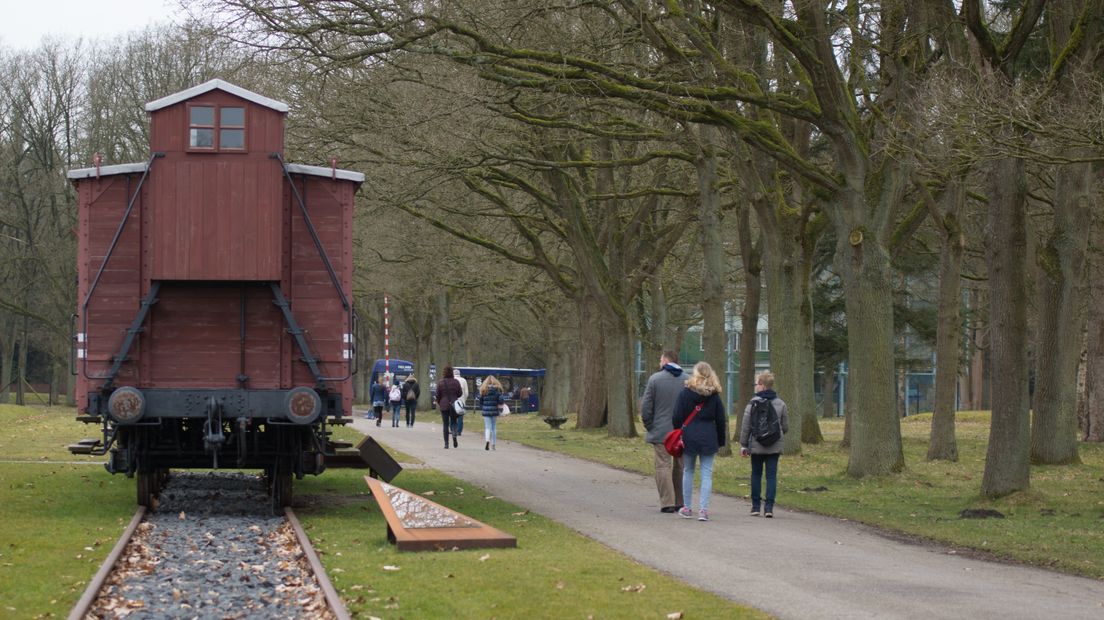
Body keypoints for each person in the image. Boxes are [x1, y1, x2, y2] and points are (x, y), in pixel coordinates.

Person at [672, 361, 727, 522]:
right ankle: (703, 510)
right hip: (709, 437)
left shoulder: (685, 393)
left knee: (688, 470)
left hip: (689, 436)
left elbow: (676, 416)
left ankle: (687, 507)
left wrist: (679, 431)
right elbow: (721, 420)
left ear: (695, 374)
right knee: (706, 474)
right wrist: (720, 440)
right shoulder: (715, 396)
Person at [640, 351, 686, 513]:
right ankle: (681, 501)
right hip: (682, 432)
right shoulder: (688, 380)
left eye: (660, 359)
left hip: (661, 431)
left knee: (662, 466)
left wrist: (650, 425)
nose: (659, 362)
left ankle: (667, 502)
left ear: (666, 360)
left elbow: (646, 408)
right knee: (681, 466)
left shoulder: (655, 379)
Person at [740, 371, 789, 518]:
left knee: (756, 474)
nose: (755, 386)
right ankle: (769, 508)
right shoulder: (781, 403)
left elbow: (746, 426)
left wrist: (744, 444)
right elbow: (785, 426)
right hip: (774, 445)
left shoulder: (752, 403)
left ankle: (755, 506)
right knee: (771, 476)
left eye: (757, 383)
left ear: (762, 385)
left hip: (756, 444)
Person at [436, 365, 463, 448]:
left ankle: (446, 444)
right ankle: (454, 436)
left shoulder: (440, 382)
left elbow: (437, 395)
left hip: (444, 405)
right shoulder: (456, 382)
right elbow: (460, 393)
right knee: (454, 422)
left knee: (445, 424)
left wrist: (439, 402)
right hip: (454, 405)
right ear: (452, 373)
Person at [478, 375, 506, 451]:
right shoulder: (498, 390)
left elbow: (480, 402)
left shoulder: (483, 390)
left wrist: (483, 407)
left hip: (486, 410)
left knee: (487, 427)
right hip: (494, 410)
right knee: (493, 427)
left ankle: (487, 441)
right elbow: (501, 401)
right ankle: (493, 444)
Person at [454, 368, 469, 437]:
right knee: (460, 416)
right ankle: (459, 431)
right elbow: (466, 393)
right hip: (461, 401)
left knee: (452, 416)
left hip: (452, 401)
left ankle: (453, 429)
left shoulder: (451, 380)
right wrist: (464, 400)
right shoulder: (463, 380)